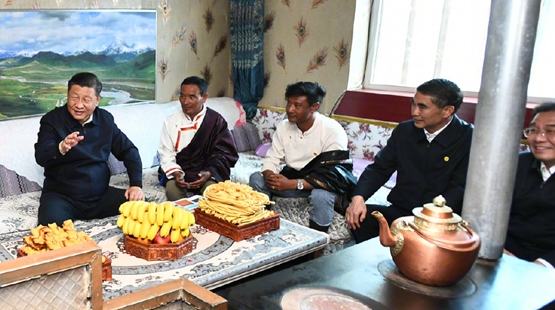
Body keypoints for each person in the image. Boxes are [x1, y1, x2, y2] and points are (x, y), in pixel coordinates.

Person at [346, 78, 473, 242]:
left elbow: (459, 187)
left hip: (440, 221)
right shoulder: (405, 131)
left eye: (422, 107)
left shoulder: (468, 138)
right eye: (413, 104)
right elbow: (380, 168)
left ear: (447, 111)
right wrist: (359, 197)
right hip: (402, 213)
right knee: (361, 219)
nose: (414, 112)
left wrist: (426, 221)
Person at [34, 72, 145, 226]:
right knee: (49, 230)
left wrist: (136, 185)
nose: (79, 105)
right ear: (67, 95)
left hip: (101, 197)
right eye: (74, 98)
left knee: (145, 210)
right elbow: (41, 156)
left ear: (97, 100)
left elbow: (129, 151)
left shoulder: (105, 119)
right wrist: (61, 147)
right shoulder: (52, 120)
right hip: (62, 198)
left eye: (86, 100)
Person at [248, 82, 355, 232]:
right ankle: (263, 225)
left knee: (321, 196)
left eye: (297, 105)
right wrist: (270, 176)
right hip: (293, 178)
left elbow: (331, 176)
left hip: (322, 183)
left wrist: (292, 184)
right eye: (289, 103)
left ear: (314, 107)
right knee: (256, 179)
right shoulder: (283, 127)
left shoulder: (332, 130)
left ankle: (317, 240)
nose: (290, 109)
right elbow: (273, 158)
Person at [502, 102, 555, 310]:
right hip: (509, 248)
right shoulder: (518, 164)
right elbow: (491, 211)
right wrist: (498, 247)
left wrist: (542, 264)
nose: (539, 138)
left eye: (550, 131)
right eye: (533, 130)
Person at [158, 76, 239, 201]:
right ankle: (183, 214)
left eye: (192, 97)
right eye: (182, 96)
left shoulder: (215, 120)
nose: (185, 102)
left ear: (204, 98)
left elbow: (224, 154)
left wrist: (209, 173)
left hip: (206, 172)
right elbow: (166, 154)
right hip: (180, 171)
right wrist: (177, 173)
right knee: (172, 190)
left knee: (214, 192)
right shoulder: (170, 122)